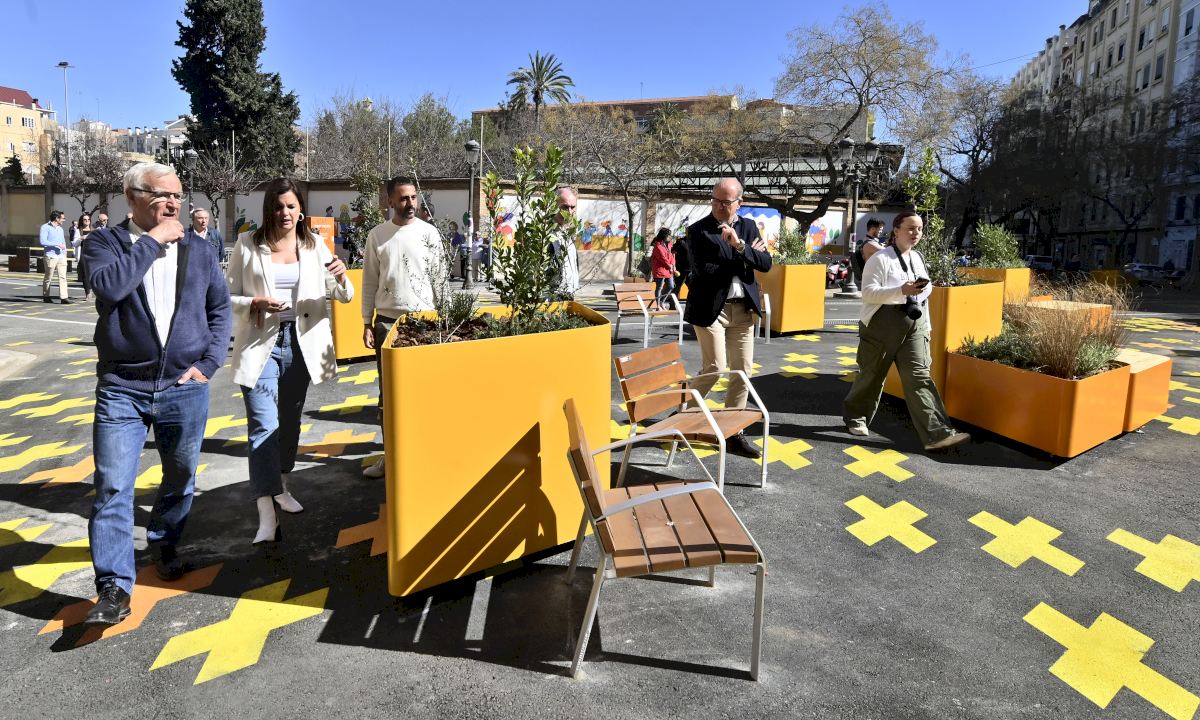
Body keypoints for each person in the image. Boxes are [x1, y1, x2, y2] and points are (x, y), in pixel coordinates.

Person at [81, 162, 231, 625]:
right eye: (161, 195)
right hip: (121, 388)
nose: (172, 204)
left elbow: (219, 308)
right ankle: (113, 587)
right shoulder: (104, 243)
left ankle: (164, 542)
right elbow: (108, 287)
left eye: (177, 196)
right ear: (132, 197)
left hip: (184, 386)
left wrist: (208, 365)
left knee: (181, 475)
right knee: (113, 486)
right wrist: (152, 241)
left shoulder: (199, 250)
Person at [227, 178, 354, 544]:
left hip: (301, 345)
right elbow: (225, 294)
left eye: (291, 206)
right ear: (269, 209)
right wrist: (254, 302)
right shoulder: (247, 244)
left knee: (289, 424)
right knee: (263, 427)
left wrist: (342, 276)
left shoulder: (314, 245)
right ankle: (266, 513)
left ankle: (281, 485)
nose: (284, 212)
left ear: (301, 210)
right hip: (259, 344)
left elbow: (343, 296)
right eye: (278, 206)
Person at [842, 211, 970, 452]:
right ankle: (856, 417)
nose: (916, 233)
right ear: (896, 231)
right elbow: (868, 293)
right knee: (871, 375)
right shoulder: (880, 259)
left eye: (919, 229)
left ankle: (938, 433)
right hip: (881, 325)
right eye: (910, 228)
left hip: (915, 325)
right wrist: (902, 291)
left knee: (919, 378)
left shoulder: (918, 257)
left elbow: (926, 289)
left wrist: (920, 300)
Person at [360, 177, 443, 479]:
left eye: (413, 197)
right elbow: (369, 282)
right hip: (387, 324)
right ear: (391, 201)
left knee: (426, 392)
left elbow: (440, 278)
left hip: (425, 323)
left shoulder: (429, 234)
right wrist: (366, 322)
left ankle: (427, 455)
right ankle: (392, 458)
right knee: (389, 394)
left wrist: (445, 318)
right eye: (404, 198)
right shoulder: (377, 236)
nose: (410, 204)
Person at [684, 178, 772, 458]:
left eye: (726, 202)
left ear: (739, 203)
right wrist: (744, 254)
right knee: (715, 367)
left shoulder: (749, 227)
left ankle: (733, 433)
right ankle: (684, 417)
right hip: (712, 309)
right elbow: (705, 271)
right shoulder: (698, 231)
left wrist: (741, 247)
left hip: (743, 309)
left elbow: (766, 264)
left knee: (742, 372)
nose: (719, 206)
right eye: (716, 200)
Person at [552, 187, 581, 298]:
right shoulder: (545, 234)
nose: (569, 212)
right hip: (551, 299)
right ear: (554, 206)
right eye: (565, 207)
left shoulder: (568, 234)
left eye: (572, 207)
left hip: (569, 296)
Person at [40, 210, 70, 304]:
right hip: (50, 256)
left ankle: (64, 298)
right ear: (57, 218)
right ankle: (46, 296)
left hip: (61, 256)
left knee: (63, 277)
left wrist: (65, 253)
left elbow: (63, 242)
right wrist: (56, 244)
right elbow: (43, 241)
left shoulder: (60, 229)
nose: (64, 220)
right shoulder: (45, 227)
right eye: (63, 218)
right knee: (48, 277)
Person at [852, 218, 887, 286]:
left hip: (874, 279)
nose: (881, 232)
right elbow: (889, 253)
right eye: (880, 230)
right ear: (873, 229)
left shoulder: (870, 241)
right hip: (873, 281)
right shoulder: (870, 244)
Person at [649, 228, 676, 307]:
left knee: (671, 286)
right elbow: (662, 258)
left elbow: (672, 255)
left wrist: (673, 265)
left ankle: (661, 302)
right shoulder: (657, 245)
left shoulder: (670, 244)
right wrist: (670, 266)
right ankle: (657, 305)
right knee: (659, 287)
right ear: (664, 236)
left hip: (669, 268)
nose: (670, 236)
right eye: (668, 235)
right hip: (660, 269)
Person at [70, 213, 94, 301]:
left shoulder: (93, 230)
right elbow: (74, 244)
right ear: (82, 221)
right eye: (85, 220)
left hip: (93, 254)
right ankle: (88, 292)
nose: (87, 221)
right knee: (85, 274)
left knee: (92, 274)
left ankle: (92, 289)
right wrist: (81, 238)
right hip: (83, 254)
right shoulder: (78, 231)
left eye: (88, 219)